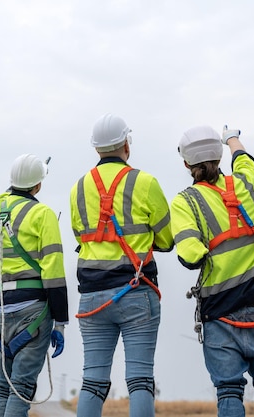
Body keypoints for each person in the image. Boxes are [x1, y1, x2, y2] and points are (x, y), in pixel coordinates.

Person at [170, 125, 254, 417]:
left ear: (186, 163)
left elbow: (190, 255)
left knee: (228, 391)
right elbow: (244, 160)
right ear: (219, 155)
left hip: (219, 313)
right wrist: (232, 138)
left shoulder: (184, 201)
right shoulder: (247, 184)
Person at [70, 113, 174, 417]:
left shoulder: (77, 188)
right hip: (135, 293)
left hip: (91, 299)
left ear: (96, 149)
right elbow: (166, 239)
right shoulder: (145, 182)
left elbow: (81, 235)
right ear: (126, 144)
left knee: (93, 382)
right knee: (140, 380)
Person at [0, 153, 69, 417]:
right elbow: (54, 273)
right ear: (39, 185)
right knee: (21, 388)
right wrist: (60, 323)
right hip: (33, 310)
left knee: (4, 388)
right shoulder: (41, 213)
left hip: (1, 310)